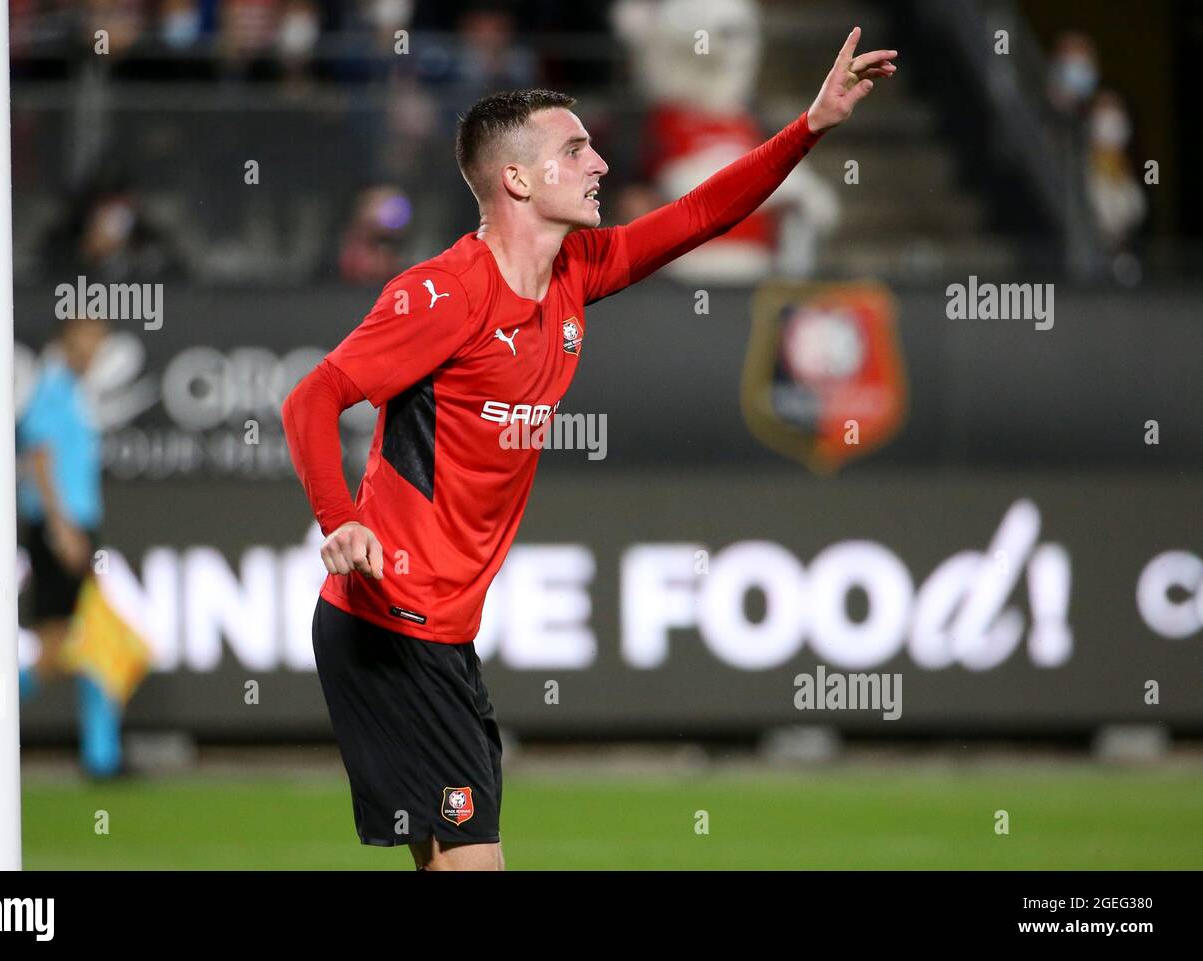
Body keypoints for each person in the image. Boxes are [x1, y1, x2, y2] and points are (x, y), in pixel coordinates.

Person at [282, 28, 896, 870]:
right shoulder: (444, 294)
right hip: (392, 620)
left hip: (439, 630)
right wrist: (341, 519)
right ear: (518, 179)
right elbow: (312, 396)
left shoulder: (577, 272)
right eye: (576, 150)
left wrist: (812, 123)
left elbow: (698, 215)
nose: (601, 163)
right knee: (475, 862)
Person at [17, 312, 123, 779]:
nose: (94, 348)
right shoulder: (53, 388)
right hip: (60, 530)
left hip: (77, 529)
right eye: (87, 337)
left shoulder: (77, 391)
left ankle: (103, 757)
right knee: (58, 645)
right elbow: (38, 457)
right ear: (66, 340)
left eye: (99, 339)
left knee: (97, 641)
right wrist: (61, 527)